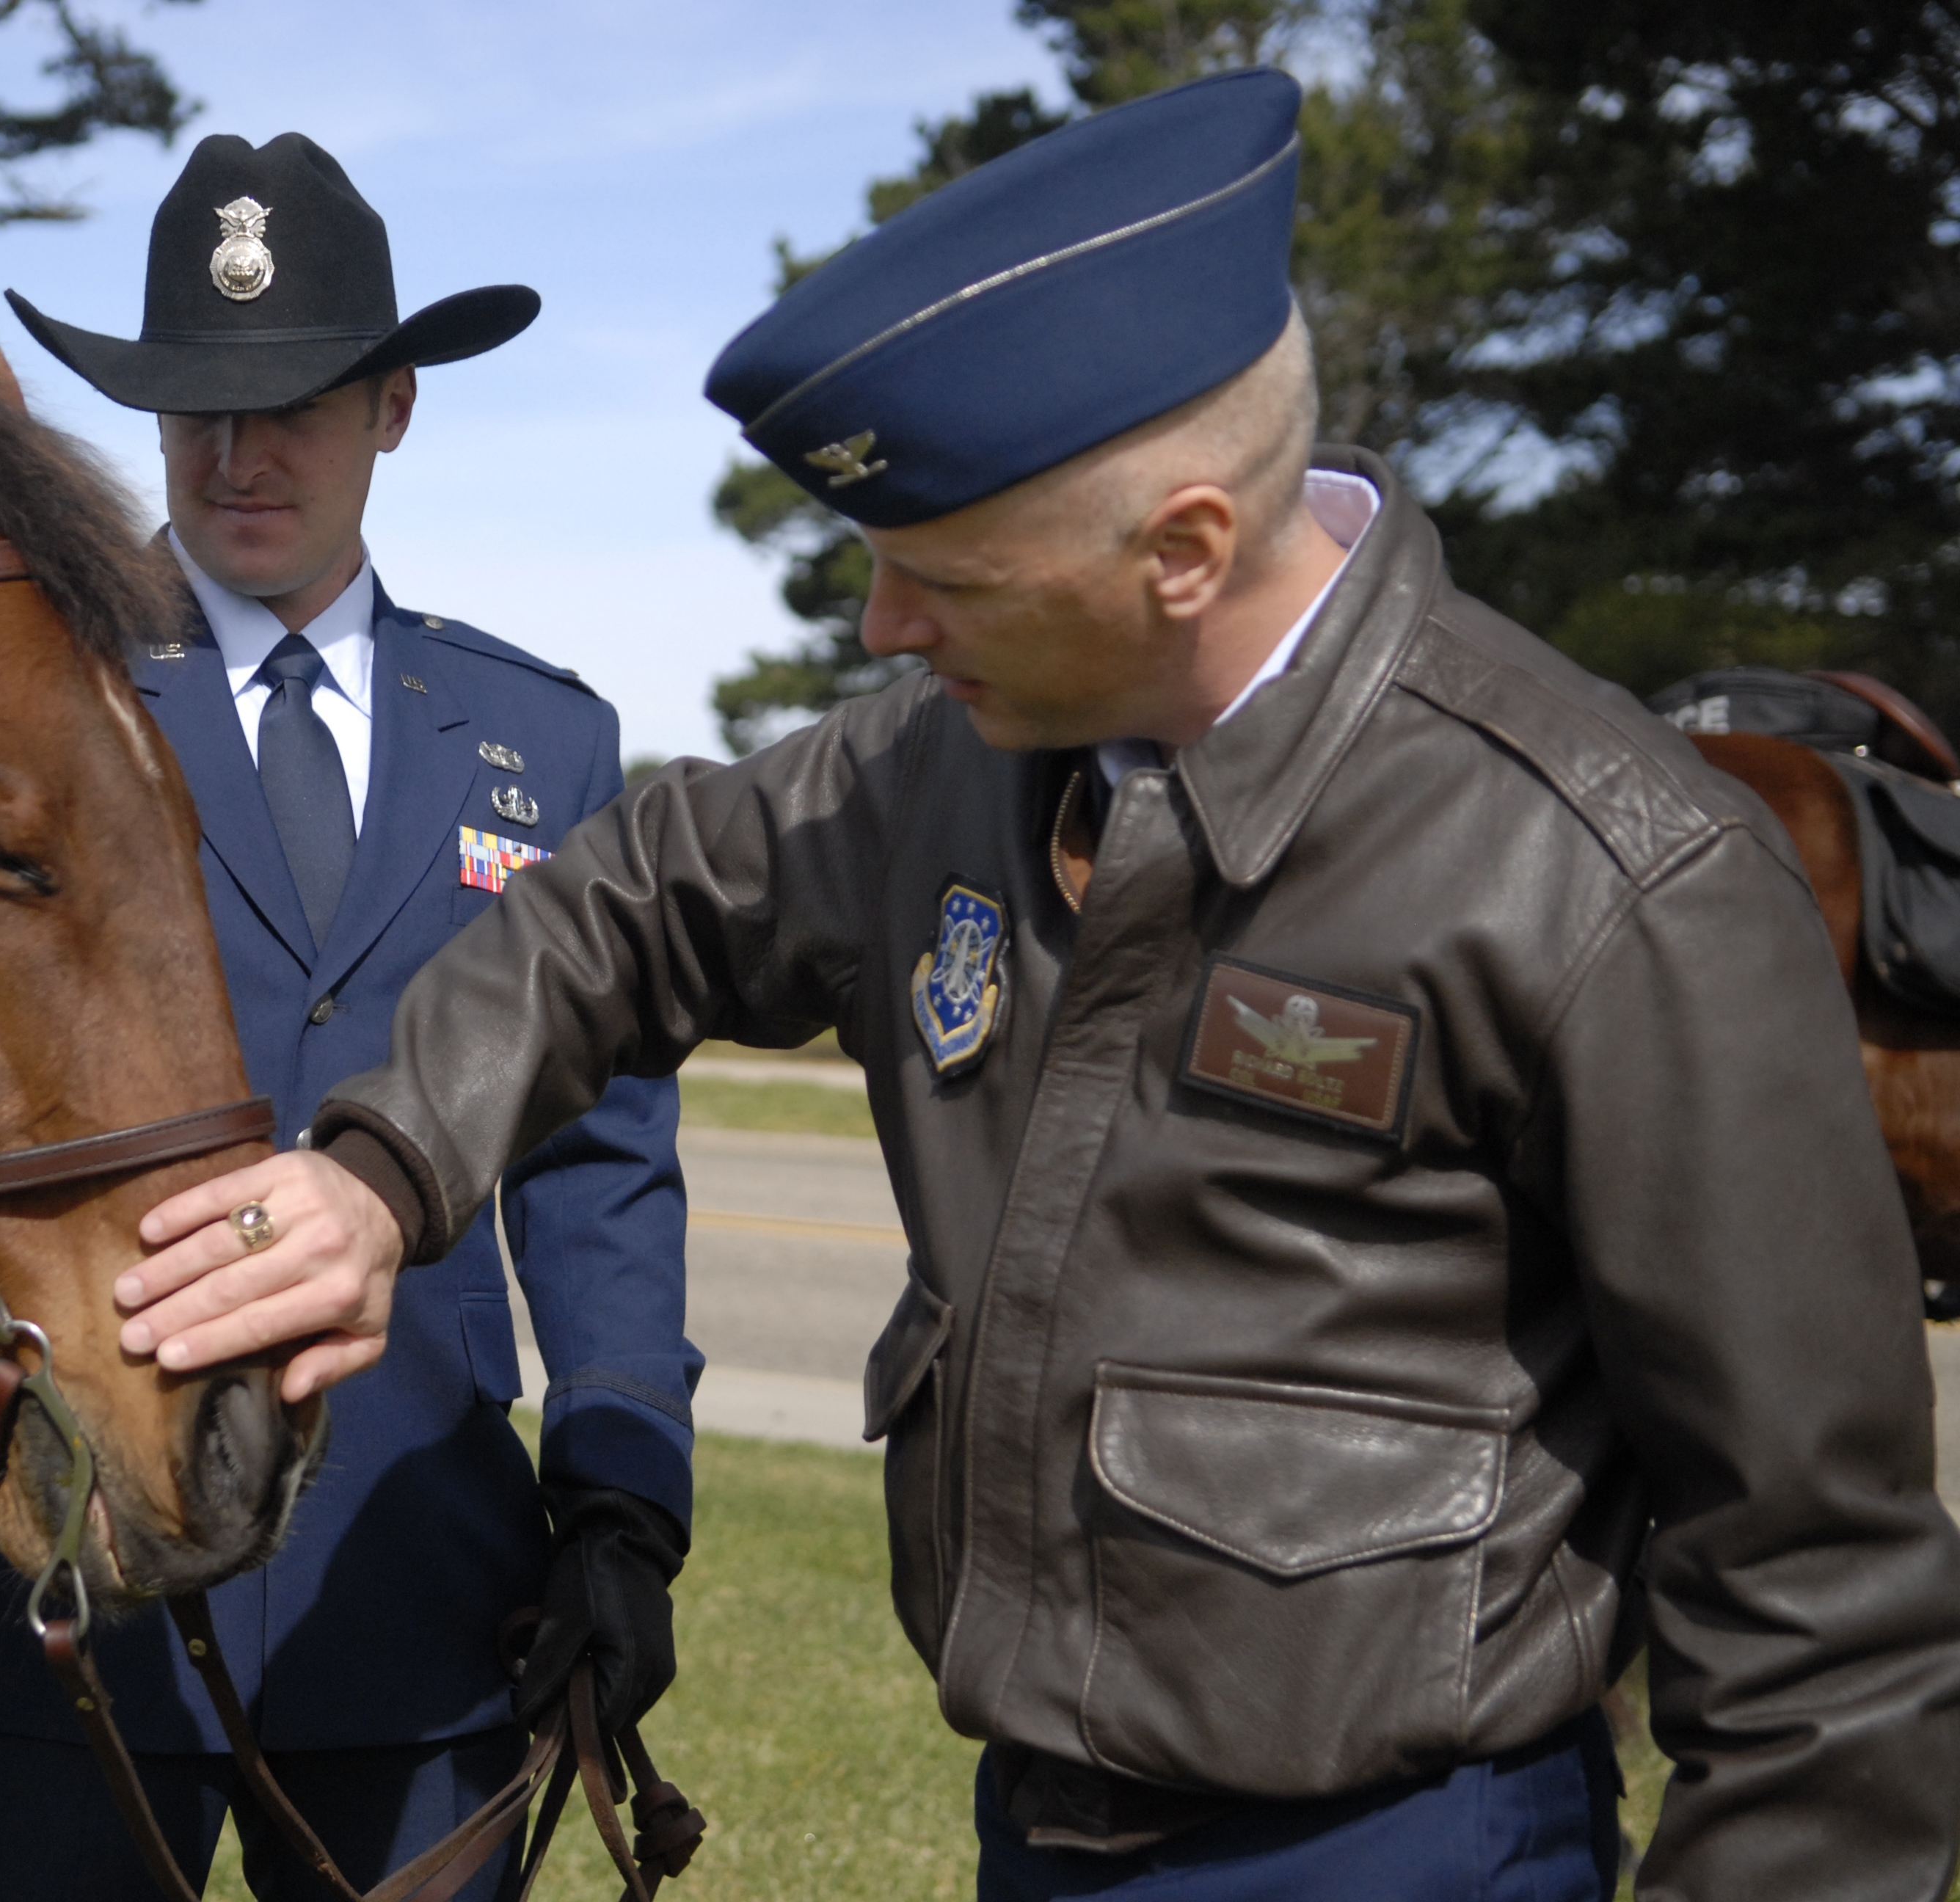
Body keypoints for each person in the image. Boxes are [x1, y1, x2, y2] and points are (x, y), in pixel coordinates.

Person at [102, 72, 1960, 1901]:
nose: (882, 630)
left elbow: (1822, 1616)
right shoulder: (950, 759)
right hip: (1044, 1829)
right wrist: (382, 1173)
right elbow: (628, 905)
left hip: (1396, 1850)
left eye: (945, 580)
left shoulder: (1607, 878)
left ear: (1182, 553)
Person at [0, 131, 698, 1902]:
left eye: (294, 404)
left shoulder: (539, 742)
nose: (240, 455)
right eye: (198, 409)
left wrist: (622, 1503)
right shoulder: (16, 702)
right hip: (66, 1549)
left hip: (419, 1575)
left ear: (393, 408)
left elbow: (598, 1160)